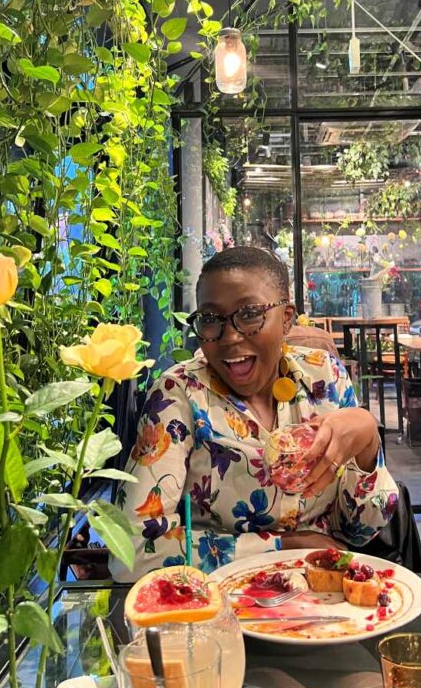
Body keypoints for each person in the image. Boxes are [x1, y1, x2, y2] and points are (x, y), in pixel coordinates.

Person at [110, 246, 398, 580]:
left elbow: (360, 532)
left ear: (287, 318)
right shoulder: (179, 396)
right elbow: (129, 552)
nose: (229, 336)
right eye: (210, 319)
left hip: (323, 608)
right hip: (219, 614)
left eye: (249, 314)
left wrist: (367, 445)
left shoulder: (326, 378)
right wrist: (283, 548)